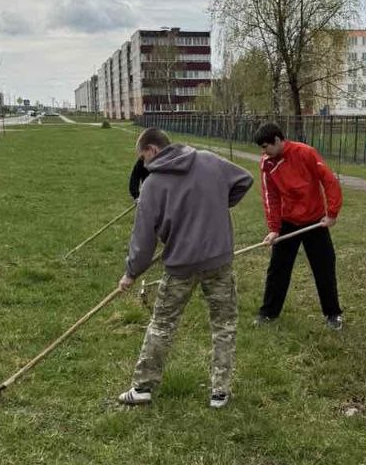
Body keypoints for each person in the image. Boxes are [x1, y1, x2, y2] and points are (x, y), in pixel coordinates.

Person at [117, 128, 253, 408]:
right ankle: (220, 392)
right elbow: (244, 179)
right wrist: (216, 205)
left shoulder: (152, 185)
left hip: (181, 266)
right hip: (218, 259)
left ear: (152, 150)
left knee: (162, 325)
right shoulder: (209, 160)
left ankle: (143, 387)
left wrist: (131, 272)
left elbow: (143, 239)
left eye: (143, 157)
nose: (144, 163)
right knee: (224, 325)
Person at [253, 122, 344, 330]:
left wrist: (332, 213)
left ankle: (333, 314)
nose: (264, 152)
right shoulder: (267, 163)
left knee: (324, 268)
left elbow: (329, 180)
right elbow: (270, 196)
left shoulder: (306, 153)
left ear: (277, 140)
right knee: (278, 269)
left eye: (266, 146)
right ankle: (268, 313)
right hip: (288, 222)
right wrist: (274, 228)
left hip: (315, 221)